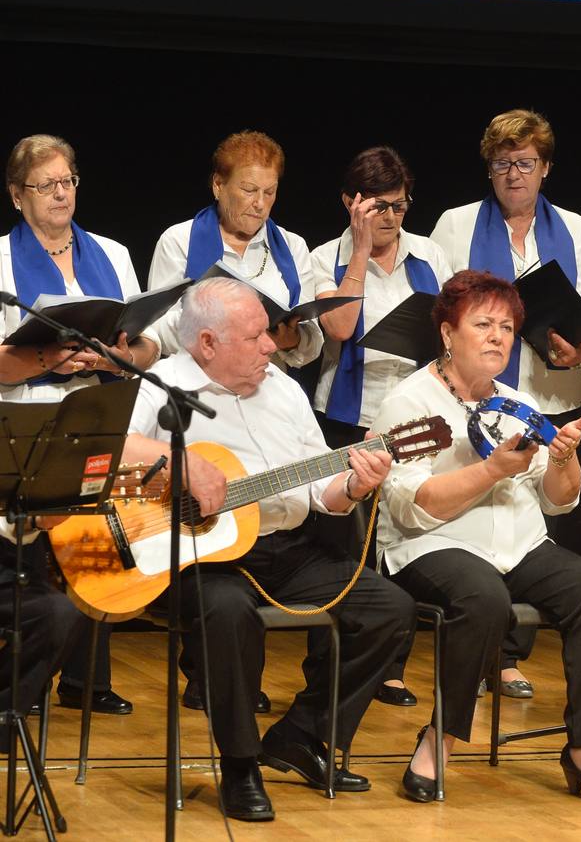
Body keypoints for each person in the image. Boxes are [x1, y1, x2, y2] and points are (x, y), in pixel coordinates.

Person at [119, 277, 415, 821]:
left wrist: (352, 485)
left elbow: (318, 489)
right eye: (255, 336)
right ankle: (240, 763)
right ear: (207, 343)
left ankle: (302, 735)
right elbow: (112, 453)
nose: (271, 346)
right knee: (230, 613)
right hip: (194, 555)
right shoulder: (163, 384)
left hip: (286, 549)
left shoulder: (284, 390)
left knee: (389, 610)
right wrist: (181, 465)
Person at [369, 270, 581, 804]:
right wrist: (492, 471)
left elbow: (558, 499)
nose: (497, 337)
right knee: (483, 596)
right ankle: (440, 739)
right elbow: (414, 506)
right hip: (434, 543)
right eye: (482, 324)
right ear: (446, 333)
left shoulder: (515, 399)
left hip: (519, 544)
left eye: (507, 327)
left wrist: (565, 458)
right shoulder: (408, 399)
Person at [429, 108, 581, 698]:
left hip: (550, 389)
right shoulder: (455, 224)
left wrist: (576, 348)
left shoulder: (575, 229)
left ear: (545, 169)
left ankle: (506, 655)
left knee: (535, 518)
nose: (513, 175)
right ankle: (478, 643)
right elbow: (442, 304)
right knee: (482, 508)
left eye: (524, 164)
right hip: (481, 393)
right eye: (502, 164)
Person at [1, 134, 160, 717]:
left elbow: (147, 342)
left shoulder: (113, 254)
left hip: (99, 406)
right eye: (46, 185)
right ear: (18, 196)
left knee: (95, 532)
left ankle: (87, 678)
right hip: (27, 412)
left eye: (68, 181)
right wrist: (49, 358)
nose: (61, 193)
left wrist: (114, 357)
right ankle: (30, 678)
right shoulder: (1, 256)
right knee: (37, 544)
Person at [308, 145, 452, 708]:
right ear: (351, 203)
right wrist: (362, 249)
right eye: (378, 207)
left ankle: (390, 666)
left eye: (399, 205)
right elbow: (341, 328)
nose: (392, 217)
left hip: (414, 414)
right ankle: (331, 661)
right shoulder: (326, 257)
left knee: (400, 538)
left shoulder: (430, 254)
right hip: (349, 413)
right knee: (344, 547)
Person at [148, 130, 321, 369]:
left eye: (269, 192)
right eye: (249, 190)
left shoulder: (293, 246)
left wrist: (292, 339)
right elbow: (157, 329)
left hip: (268, 385)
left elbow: (311, 339)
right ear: (218, 185)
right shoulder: (178, 240)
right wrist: (220, 330)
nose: (260, 203)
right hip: (199, 386)